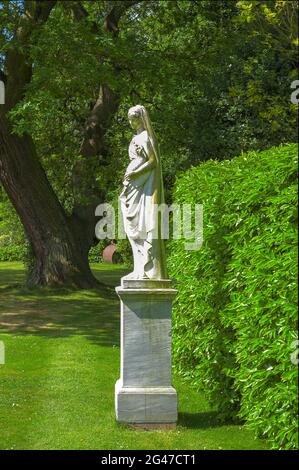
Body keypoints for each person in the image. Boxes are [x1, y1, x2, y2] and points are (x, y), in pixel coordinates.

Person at [120, 105, 167, 280]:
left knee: (142, 225)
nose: (131, 123)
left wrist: (135, 173)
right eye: (129, 119)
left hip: (142, 184)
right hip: (134, 186)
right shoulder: (136, 137)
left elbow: (153, 161)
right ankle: (139, 267)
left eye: (134, 119)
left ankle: (146, 269)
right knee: (133, 227)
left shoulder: (145, 137)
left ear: (141, 119)